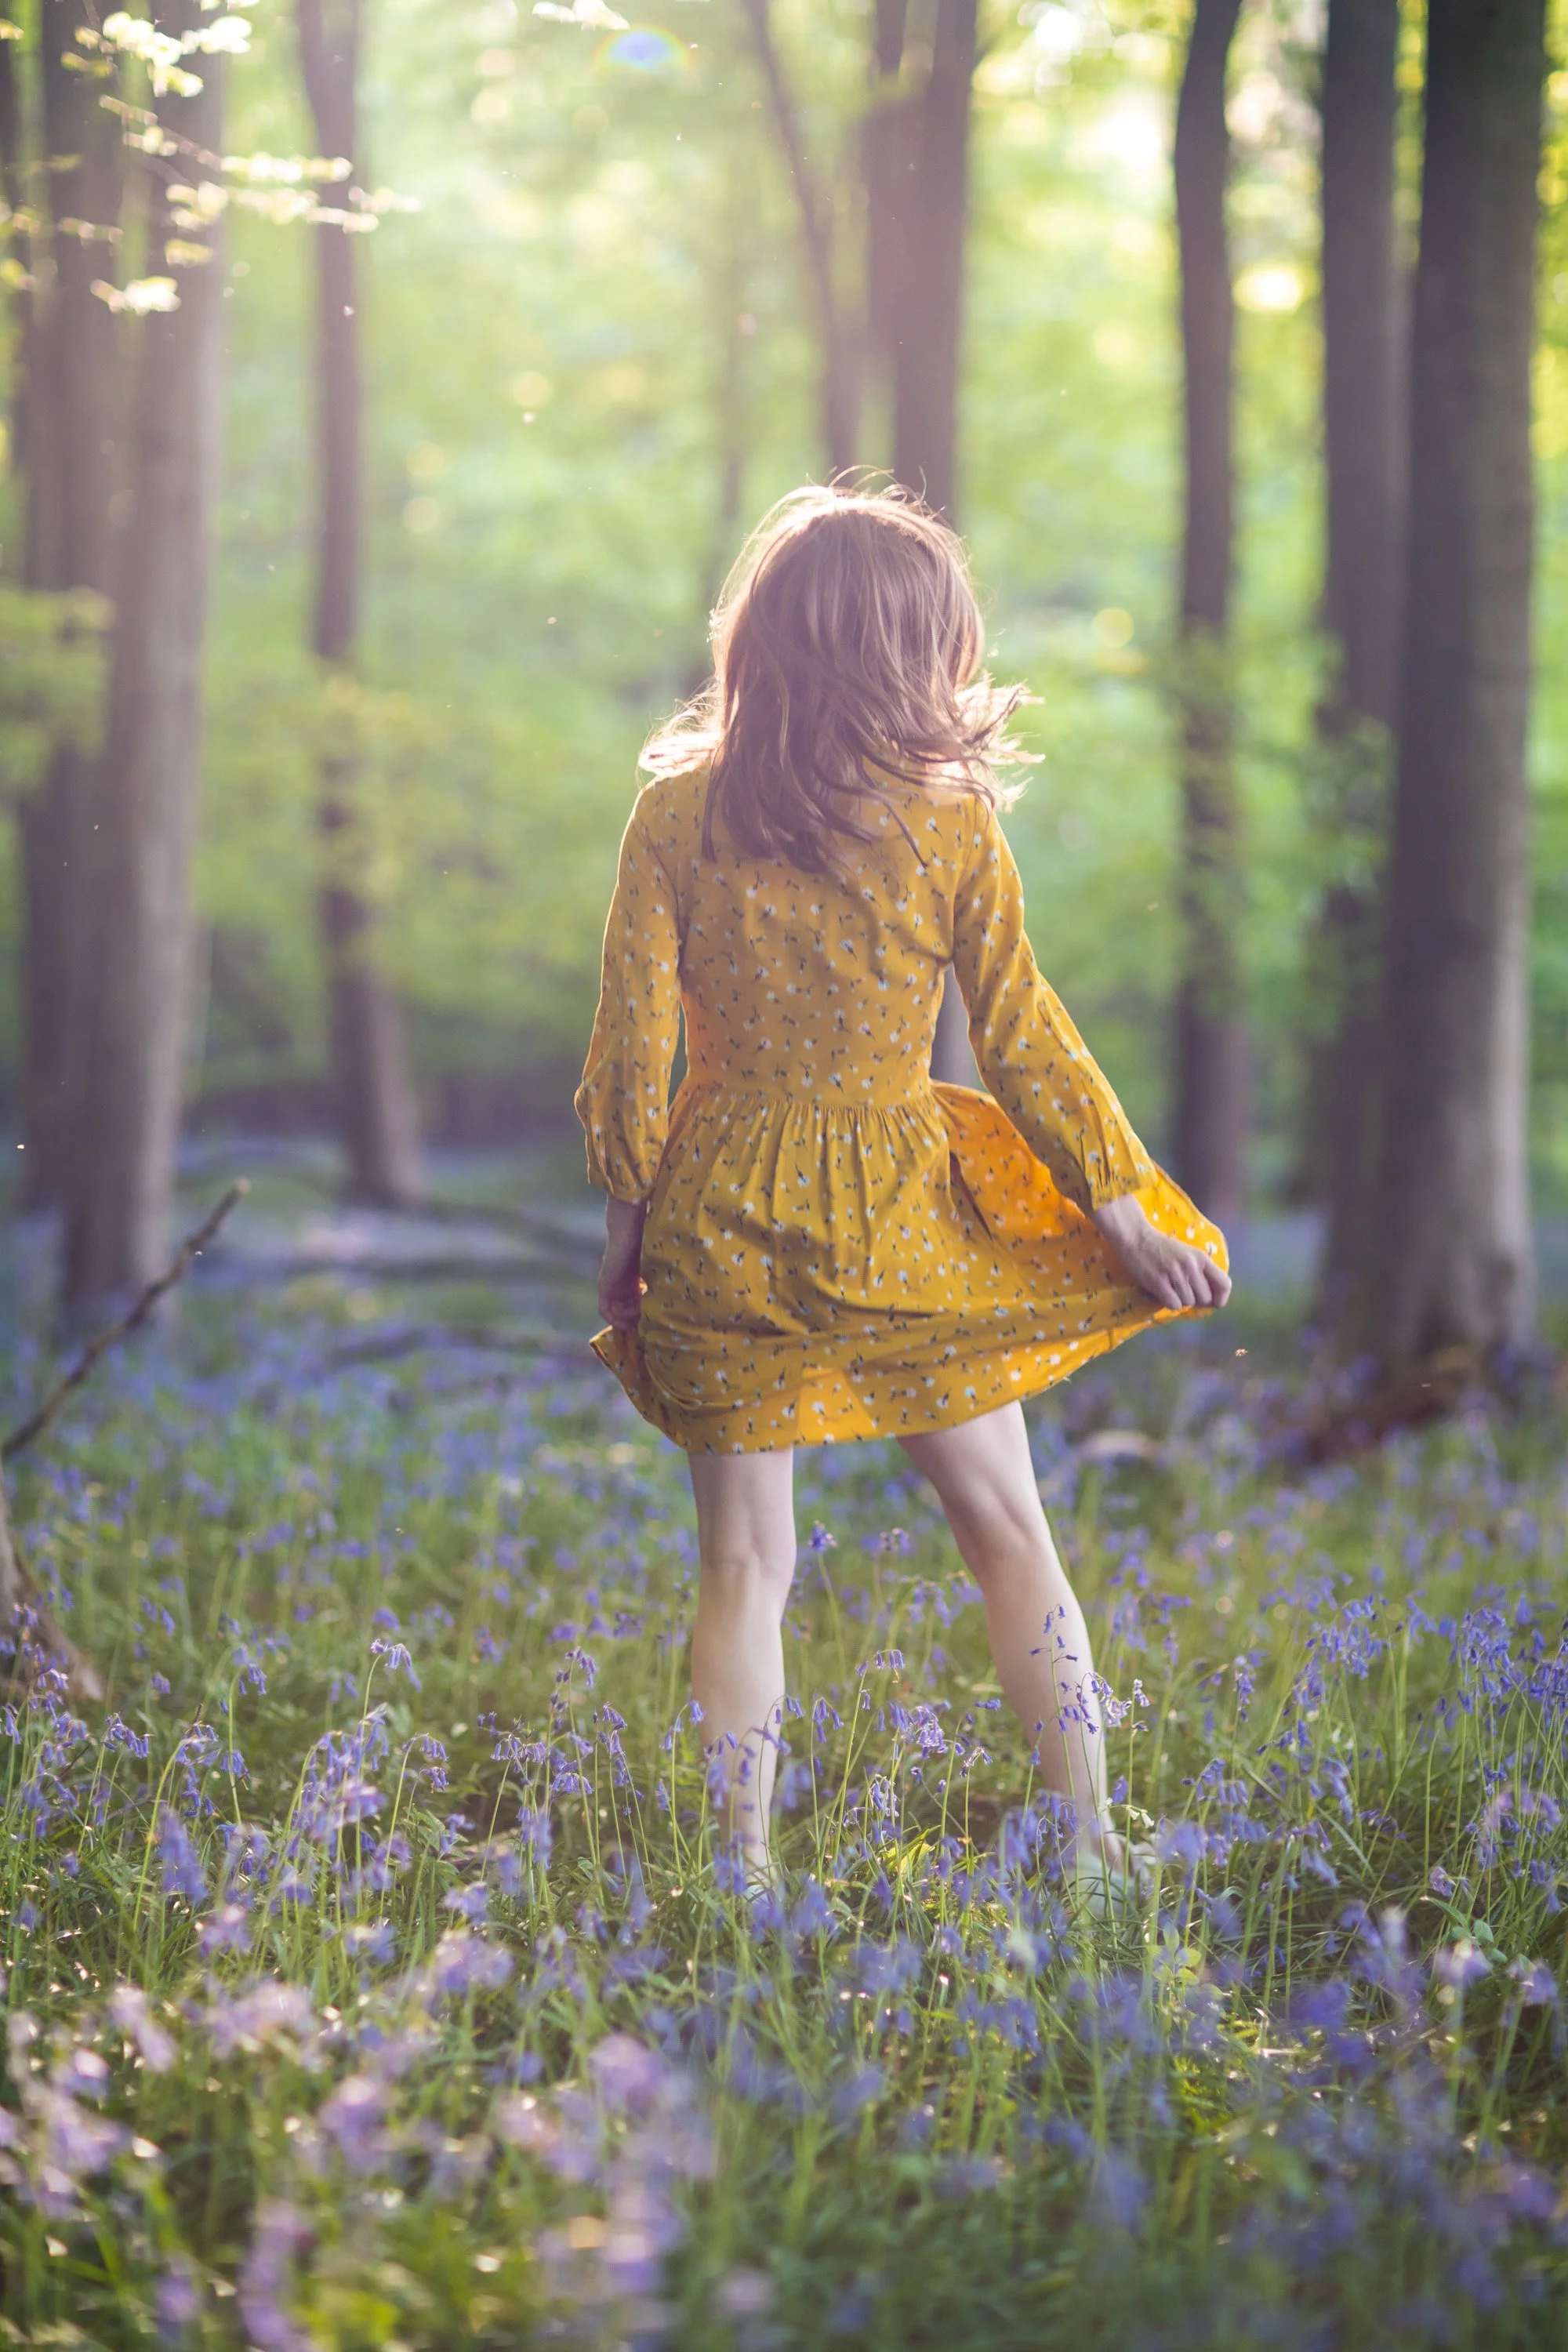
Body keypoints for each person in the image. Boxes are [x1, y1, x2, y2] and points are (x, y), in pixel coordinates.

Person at [575, 485, 1230, 1891]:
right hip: (903, 1218)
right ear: (912, 653)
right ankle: (1098, 1847)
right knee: (1007, 1531)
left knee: (745, 1568)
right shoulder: (947, 830)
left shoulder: (675, 816)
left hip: (721, 1220)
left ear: (764, 642)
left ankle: (737, 1877)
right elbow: (1024, 1032)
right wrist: (1121, 1205)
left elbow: (631, 1055)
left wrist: (626, 1233)